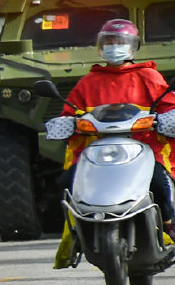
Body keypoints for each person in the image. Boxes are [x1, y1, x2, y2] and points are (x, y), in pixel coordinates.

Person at [61, 18, 175, 229]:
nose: (114, 47)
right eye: (109, 42)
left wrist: (168, 118)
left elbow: (168, 105)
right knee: (67, 182)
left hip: (145, 148)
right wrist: (65, 123)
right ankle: (79, 230)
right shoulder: (89, 82)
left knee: (159, 182)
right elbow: (70, 111)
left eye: (120, 42)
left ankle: (168, 224)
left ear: (133, 46)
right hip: (98, 151)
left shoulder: (148, 76)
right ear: (101, 46)